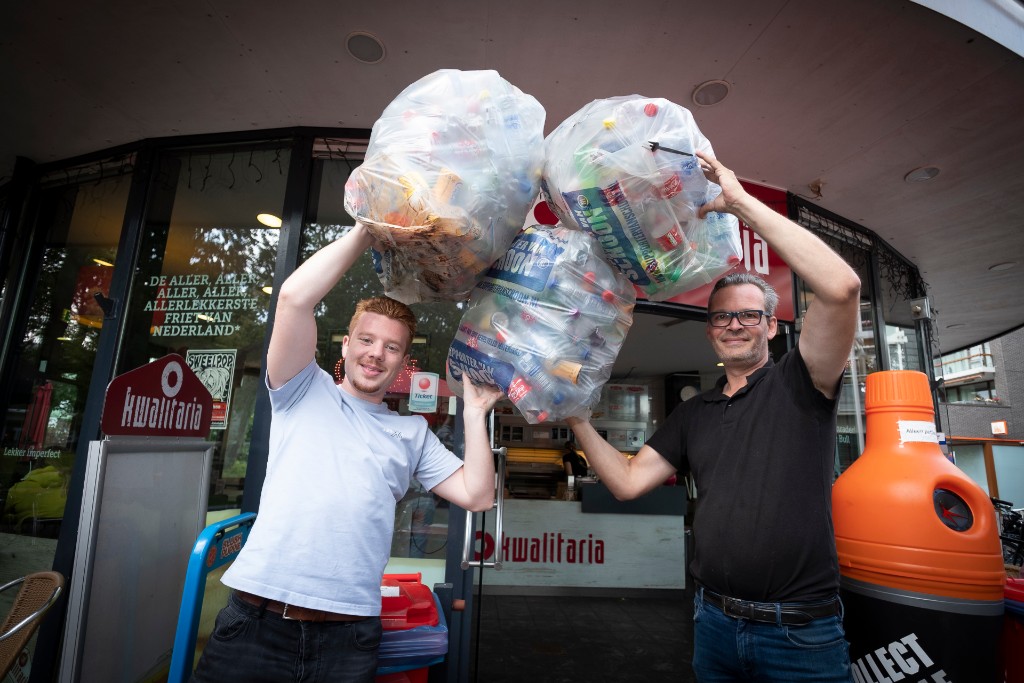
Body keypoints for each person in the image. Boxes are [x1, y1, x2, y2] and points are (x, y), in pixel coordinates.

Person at [566, 151, 861, 682]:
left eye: (749, 314)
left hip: (798, 635)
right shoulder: (695, 413)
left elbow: (841, 289)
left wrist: (743, 204)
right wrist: (576, 416)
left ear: (772, 327)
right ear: (710, 332)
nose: (734, 325)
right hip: (714, 625)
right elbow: (629, 483)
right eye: (722, 317)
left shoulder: (803, 382)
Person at [191, 221, 503, 683]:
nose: (376, 354)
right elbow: (295, 298)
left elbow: (478, 495)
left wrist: (474, 414)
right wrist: (367, 230)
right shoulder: (302, 389)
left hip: (348, 637)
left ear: (402, 360)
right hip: (256, 624)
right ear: (346, 343)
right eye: (367, 340)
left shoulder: (410, 433)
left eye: (391, 347)